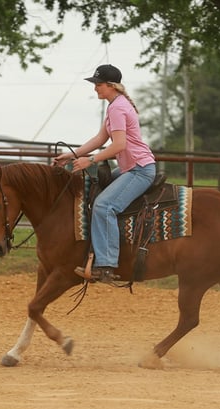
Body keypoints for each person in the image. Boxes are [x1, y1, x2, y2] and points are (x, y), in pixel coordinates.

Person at [53, 64, 157, 284]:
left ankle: (106, 265)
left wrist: (90, 160)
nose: (95, 88)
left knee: (104, 205)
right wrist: (72, 155)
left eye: (98, 84)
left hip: (139, 169)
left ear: (111, 86)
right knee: (96, 192)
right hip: (133, 167)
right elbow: (100, 139)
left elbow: (119, 145)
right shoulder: (116, 105)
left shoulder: (118, 108)